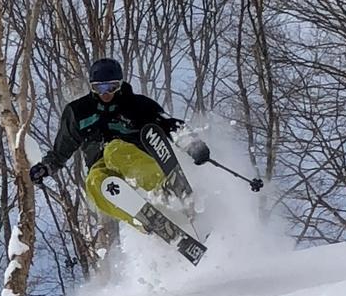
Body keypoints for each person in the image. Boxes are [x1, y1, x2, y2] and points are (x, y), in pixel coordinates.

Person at [29, 57, 210, 227]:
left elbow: (168, 124)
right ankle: (144, 220)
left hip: (135, 155)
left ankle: (165, 188)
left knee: (114, 150)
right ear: (92, 88)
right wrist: (46, 167)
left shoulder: (138, 105)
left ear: (120, 84)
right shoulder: (78, 112)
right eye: (99, 88)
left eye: (112, 87)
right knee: (94, 181)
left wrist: (193, 144)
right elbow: (62, 150)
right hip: (101, 163)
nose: (106, 93)